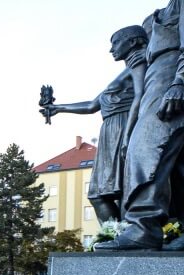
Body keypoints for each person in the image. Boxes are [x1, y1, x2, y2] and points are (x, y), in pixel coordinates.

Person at [97, 4, 184, 250]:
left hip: (170, 72)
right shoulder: (157, 16)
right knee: (177, 163)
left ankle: (143, 227)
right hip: (158, 75)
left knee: (147, 145)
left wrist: (180, 81)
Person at [41, 25, 148, 224]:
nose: (111, 49)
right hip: (110, 131)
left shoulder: (139, 63)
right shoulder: (125, 72)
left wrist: (128, 135)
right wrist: (58, 108)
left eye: (116, 43)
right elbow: (92, 105)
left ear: (133, 42)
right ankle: (116, 234)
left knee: (122, 189)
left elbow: (140, 96)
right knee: (100, 193)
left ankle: (126, 234)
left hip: (124, 125)